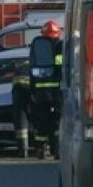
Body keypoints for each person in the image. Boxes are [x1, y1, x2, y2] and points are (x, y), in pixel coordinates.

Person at [28, 20, 64, 156]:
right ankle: (57, 150)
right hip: (57, 92)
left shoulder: (38, 47)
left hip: (40, 92)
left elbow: (32, 70)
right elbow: (62, 68)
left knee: (41, 121)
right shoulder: (61, 47)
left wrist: (32, 91)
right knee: (56, 121)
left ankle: (40, 149)